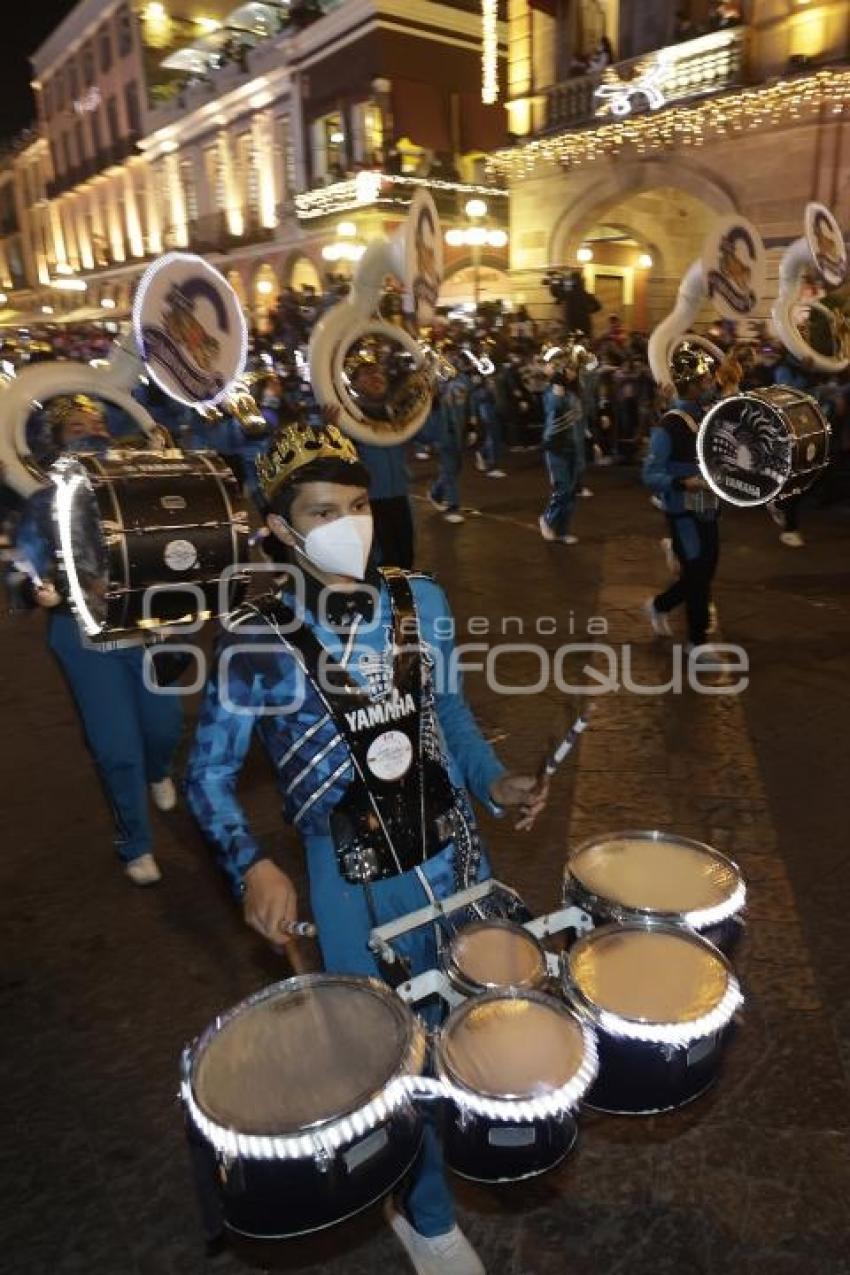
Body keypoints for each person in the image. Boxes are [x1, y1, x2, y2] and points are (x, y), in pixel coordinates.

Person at [184, 418, 548, 1274]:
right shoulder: (259, 637)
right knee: (389, 1052)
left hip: (454, 852)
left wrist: (494, 780)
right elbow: (208, 776)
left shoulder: (419, 600)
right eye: (321, 511)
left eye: (357, 502)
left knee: (469, 1014)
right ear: (279, 529)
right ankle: (425, 1214)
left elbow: (447, 715)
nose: (350, 522)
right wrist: (252, 860)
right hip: (350, 881)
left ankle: (456, 1141)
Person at [14, 396, 183, 885]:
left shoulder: (137, 485)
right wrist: (32, 587)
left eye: (98, 423)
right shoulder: (45, 501)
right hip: (83, 634)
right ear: (56, 441)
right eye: (77, 427)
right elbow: (21, 565)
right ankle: (135, 840)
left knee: (163, 727)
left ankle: (158, 770)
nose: (91, 431)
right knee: (116, 747)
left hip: (144, 627)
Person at [642, 346, 721, 651]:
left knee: (707, 566)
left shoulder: (707, 414)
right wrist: (680, 482)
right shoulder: (669, 426)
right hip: (683, 506)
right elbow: (650, 474)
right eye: (704, 381)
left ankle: (660, 605)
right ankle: (696, 642)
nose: (710, 384)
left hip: (705, 502)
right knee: (697, 571)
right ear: (689, 384)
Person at [539, 368, 583, 545]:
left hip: (572, 446)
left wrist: (589, 439)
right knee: (562, 488)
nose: (573, 372)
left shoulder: (574, 394)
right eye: (569, 369)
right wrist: (558, 385)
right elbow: (554, 407)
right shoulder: (552, 392)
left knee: (571, 491)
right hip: (556, 446)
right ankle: (547, 520)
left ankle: (562, 530)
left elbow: (578, 419)